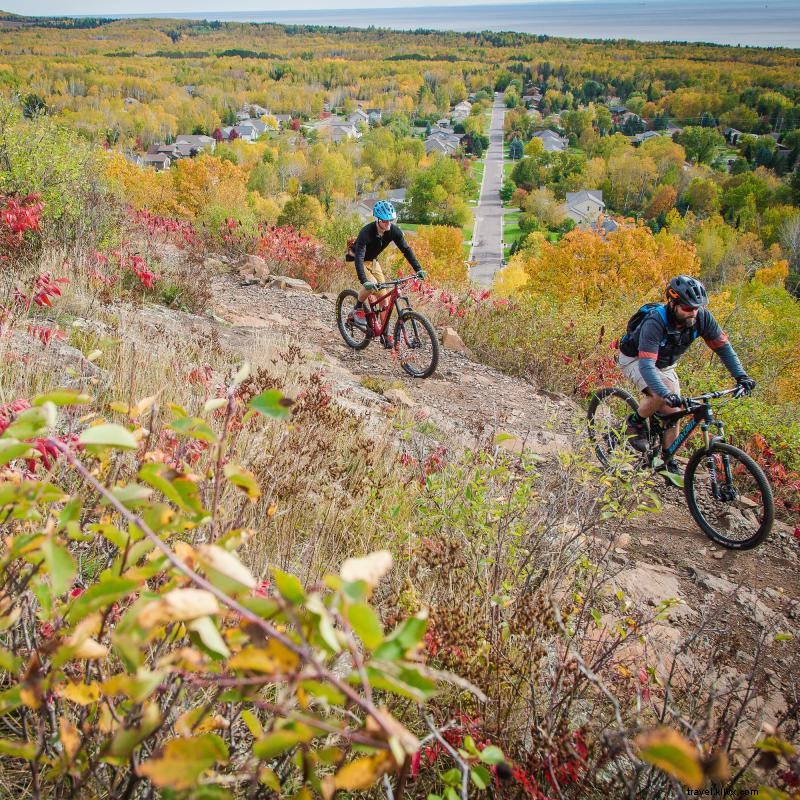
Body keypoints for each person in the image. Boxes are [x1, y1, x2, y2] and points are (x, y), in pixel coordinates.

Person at [617, 275, 756, 474]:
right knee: (659, 395)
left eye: (696, 308)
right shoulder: (656, 321)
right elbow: (647, 366)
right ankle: (634, 422)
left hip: (665, 364)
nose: (693, 313)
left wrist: (741, 376)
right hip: (636, 359)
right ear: (673, 303)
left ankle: (667, 460)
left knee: (675, 412)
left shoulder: (702, 318)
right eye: (687, 308)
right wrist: (665, 393)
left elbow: (723, 348)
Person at [348, 200, 426, 347]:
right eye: (385, 221)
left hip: (373, 261)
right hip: (360, 260)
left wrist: (418, 269)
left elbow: (406, 250)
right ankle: (357, 307)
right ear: (378, 219)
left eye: (391, 220)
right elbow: (359, 258)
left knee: (384, 298)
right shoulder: (366, 232)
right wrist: (364, 280)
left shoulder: (393, 231)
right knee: (372, 286)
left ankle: (385, 334)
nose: (388, 223)